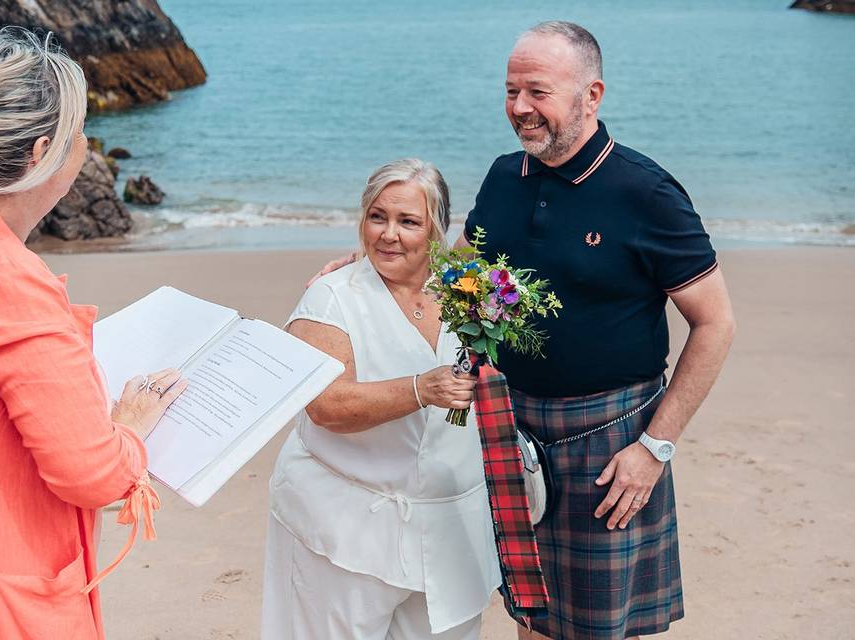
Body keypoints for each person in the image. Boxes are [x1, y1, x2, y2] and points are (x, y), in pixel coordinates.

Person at [313, 21, 736, 640]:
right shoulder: (505, 175)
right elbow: (458, 270)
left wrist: (654, 448)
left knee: (594, 628)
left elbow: (716, 323)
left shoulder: (646, 193)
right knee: (529, 615)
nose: (519, 109)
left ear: (591, 96)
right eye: (511, 91)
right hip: (508, 426)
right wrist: (375, 258)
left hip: (609, 440)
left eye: (538, 92)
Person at [0, 28, 187, 639]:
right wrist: (131, 427)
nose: (85, 146)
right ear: (43, 151)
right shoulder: (7, 283)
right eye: (80, 133)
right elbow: (91, 474)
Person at [262, 159, 501, 640]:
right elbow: (326, 406)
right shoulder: (331, 297)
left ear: (438, 229)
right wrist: (420, 388)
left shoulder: (468, 291)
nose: (388, 234)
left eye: (408, 221)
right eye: (377, 217)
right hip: (344, 531)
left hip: (451, 531)